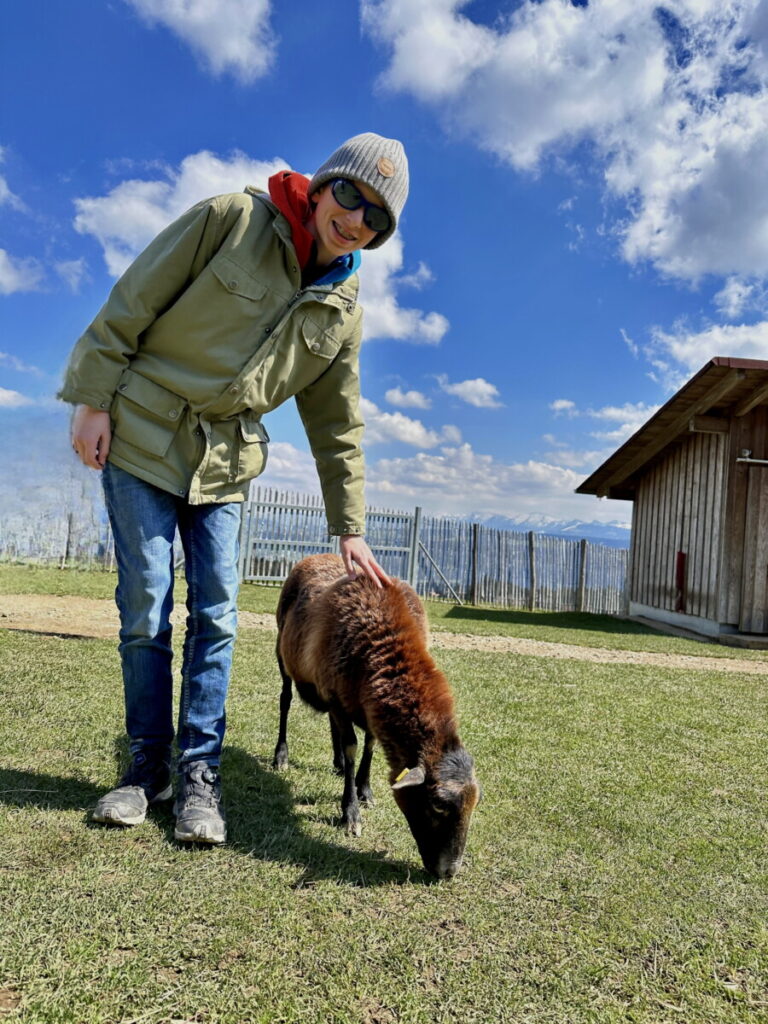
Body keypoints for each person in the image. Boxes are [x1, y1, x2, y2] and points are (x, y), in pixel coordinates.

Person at [59, 132, 408, 845]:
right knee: (144, 608)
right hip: (143, 437)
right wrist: (93, 397)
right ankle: (143, 769)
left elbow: (339, 423)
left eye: (377, 216)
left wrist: (350, 526)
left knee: (217, 618)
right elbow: (134, 297)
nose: (355, 218)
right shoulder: (230, 219)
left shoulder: (340, 310)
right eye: (349, 194)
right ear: (321, 186)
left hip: (225, 465)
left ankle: (198, 777)